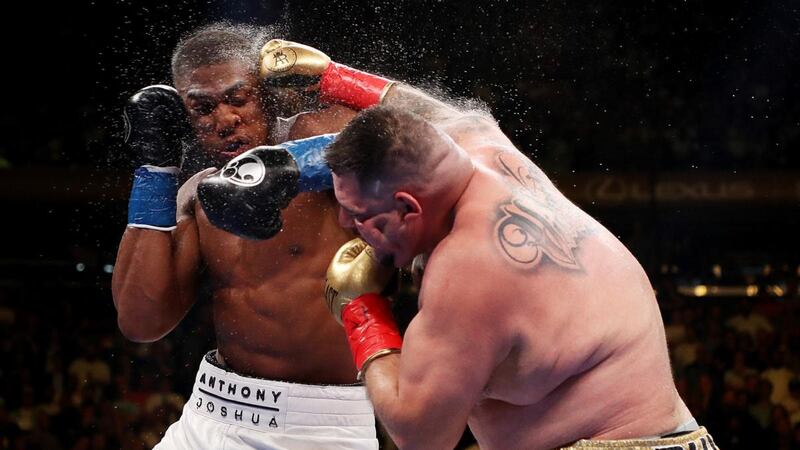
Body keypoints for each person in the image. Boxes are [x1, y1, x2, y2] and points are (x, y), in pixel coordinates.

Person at [245, 40, 717, 449]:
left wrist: (361, 310)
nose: (347, 223)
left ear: (409, 207)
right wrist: (335, 78)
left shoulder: (469, 271)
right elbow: (434, 114)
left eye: (363, 214)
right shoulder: (482, 147)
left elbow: (422, 435)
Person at [111, 24, 380, 449]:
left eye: (238, 99)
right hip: (209, 414)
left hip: (317, 426)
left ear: (268, 93)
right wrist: (155, 173)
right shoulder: (196, 195)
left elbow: (433, 138)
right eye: (201, 109)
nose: (224, 120)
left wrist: (331, 86)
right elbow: (141, 322)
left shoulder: (318, 135)